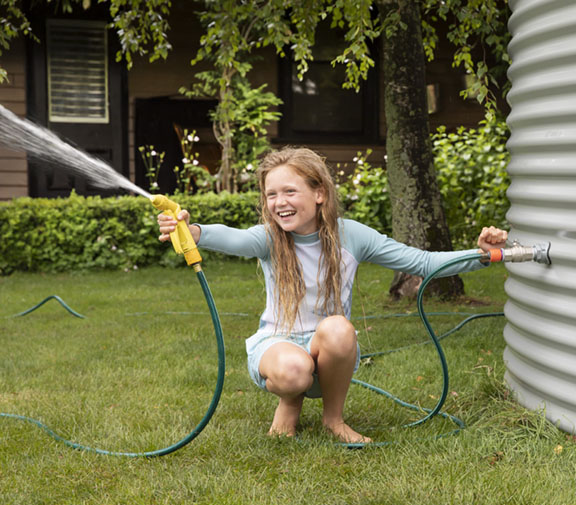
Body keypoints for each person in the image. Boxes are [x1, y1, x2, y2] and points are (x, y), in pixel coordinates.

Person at [157, 147, 508, 444]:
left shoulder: (351, 236)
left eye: (290, 191)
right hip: (277, 347)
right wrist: (193, 231)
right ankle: (290, 403)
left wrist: (481, 255)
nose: (279, 202)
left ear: (319, 193)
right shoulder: (269, 238)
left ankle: (333, 420)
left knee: (339, 327)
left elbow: (422, 262)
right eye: (271, 194)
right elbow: (232, 237)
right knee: (294, 369)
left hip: (330, 354)